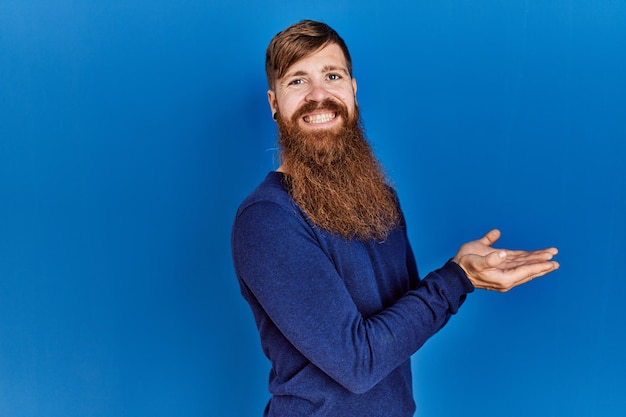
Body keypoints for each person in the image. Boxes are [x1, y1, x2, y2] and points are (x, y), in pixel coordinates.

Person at [231, 20, 559, 417]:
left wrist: (464, 271)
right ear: (273, 104)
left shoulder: (380, 198)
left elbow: (402, 323)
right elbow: (358, 363)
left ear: (352, 91)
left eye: (332, 76)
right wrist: (458, 278)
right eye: (297, 82)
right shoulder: (267, 219)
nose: (319, 96)